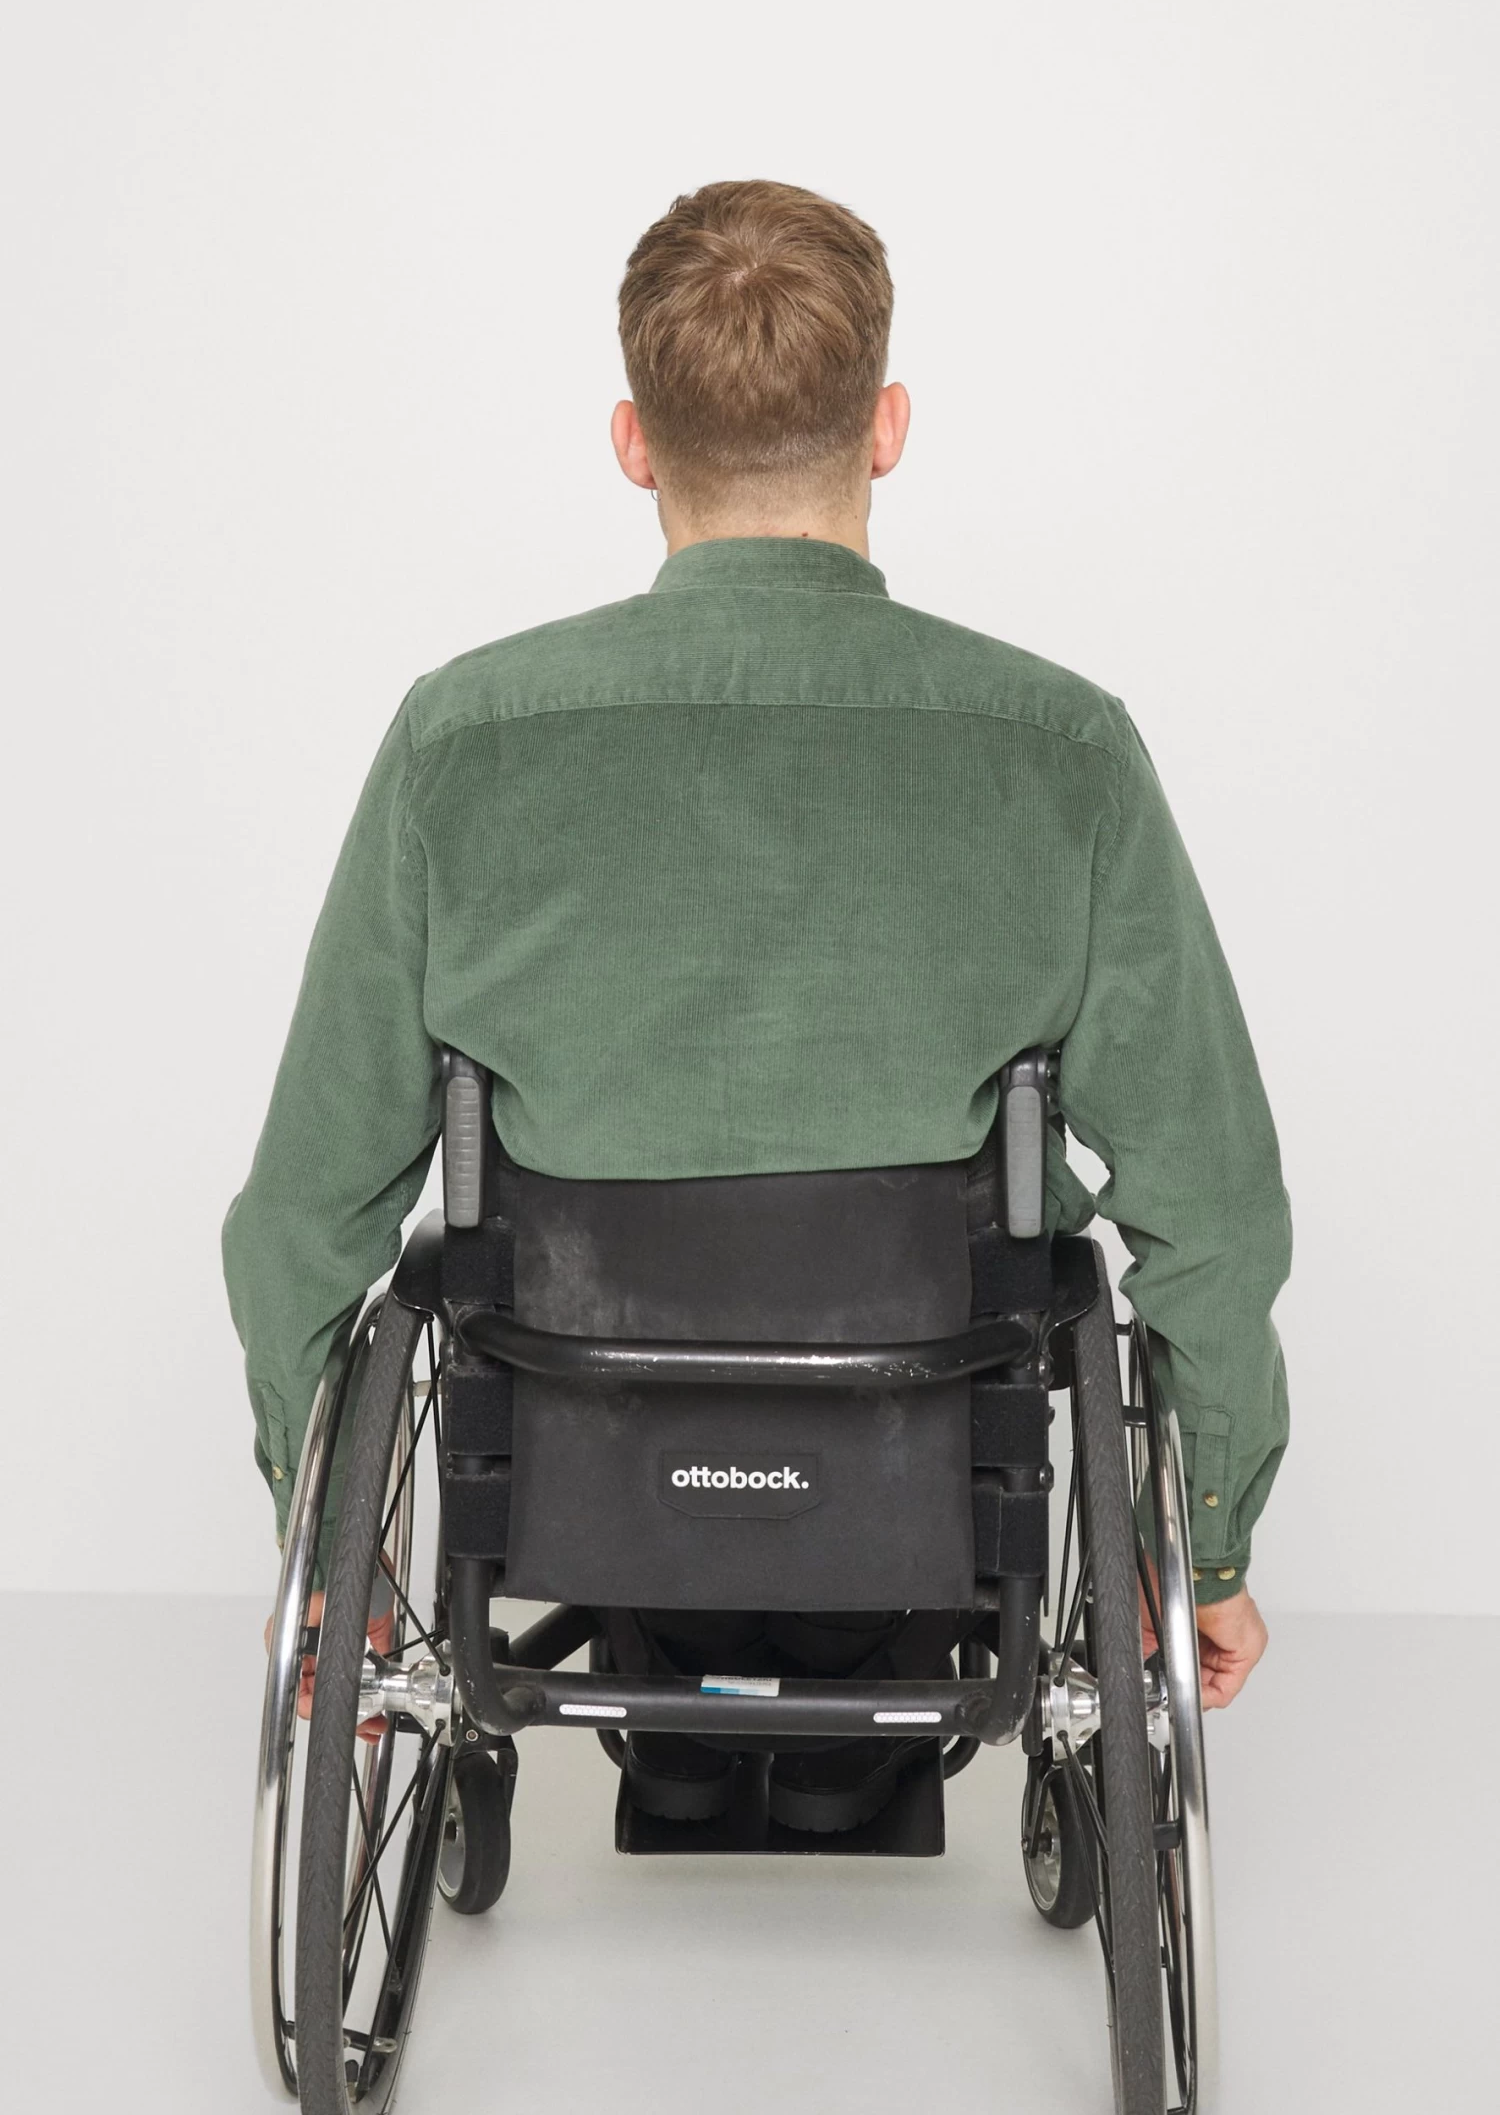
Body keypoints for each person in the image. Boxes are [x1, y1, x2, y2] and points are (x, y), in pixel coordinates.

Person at [225, 179, 1286, 1791]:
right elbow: (1214, 1202)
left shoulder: (464, 740)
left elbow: (302, 1216)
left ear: (633, 442)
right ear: (888, 427)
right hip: (930, 1467)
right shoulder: (1062, 749)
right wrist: (1201, 1535)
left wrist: (329, 1560)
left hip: (580, 1452)